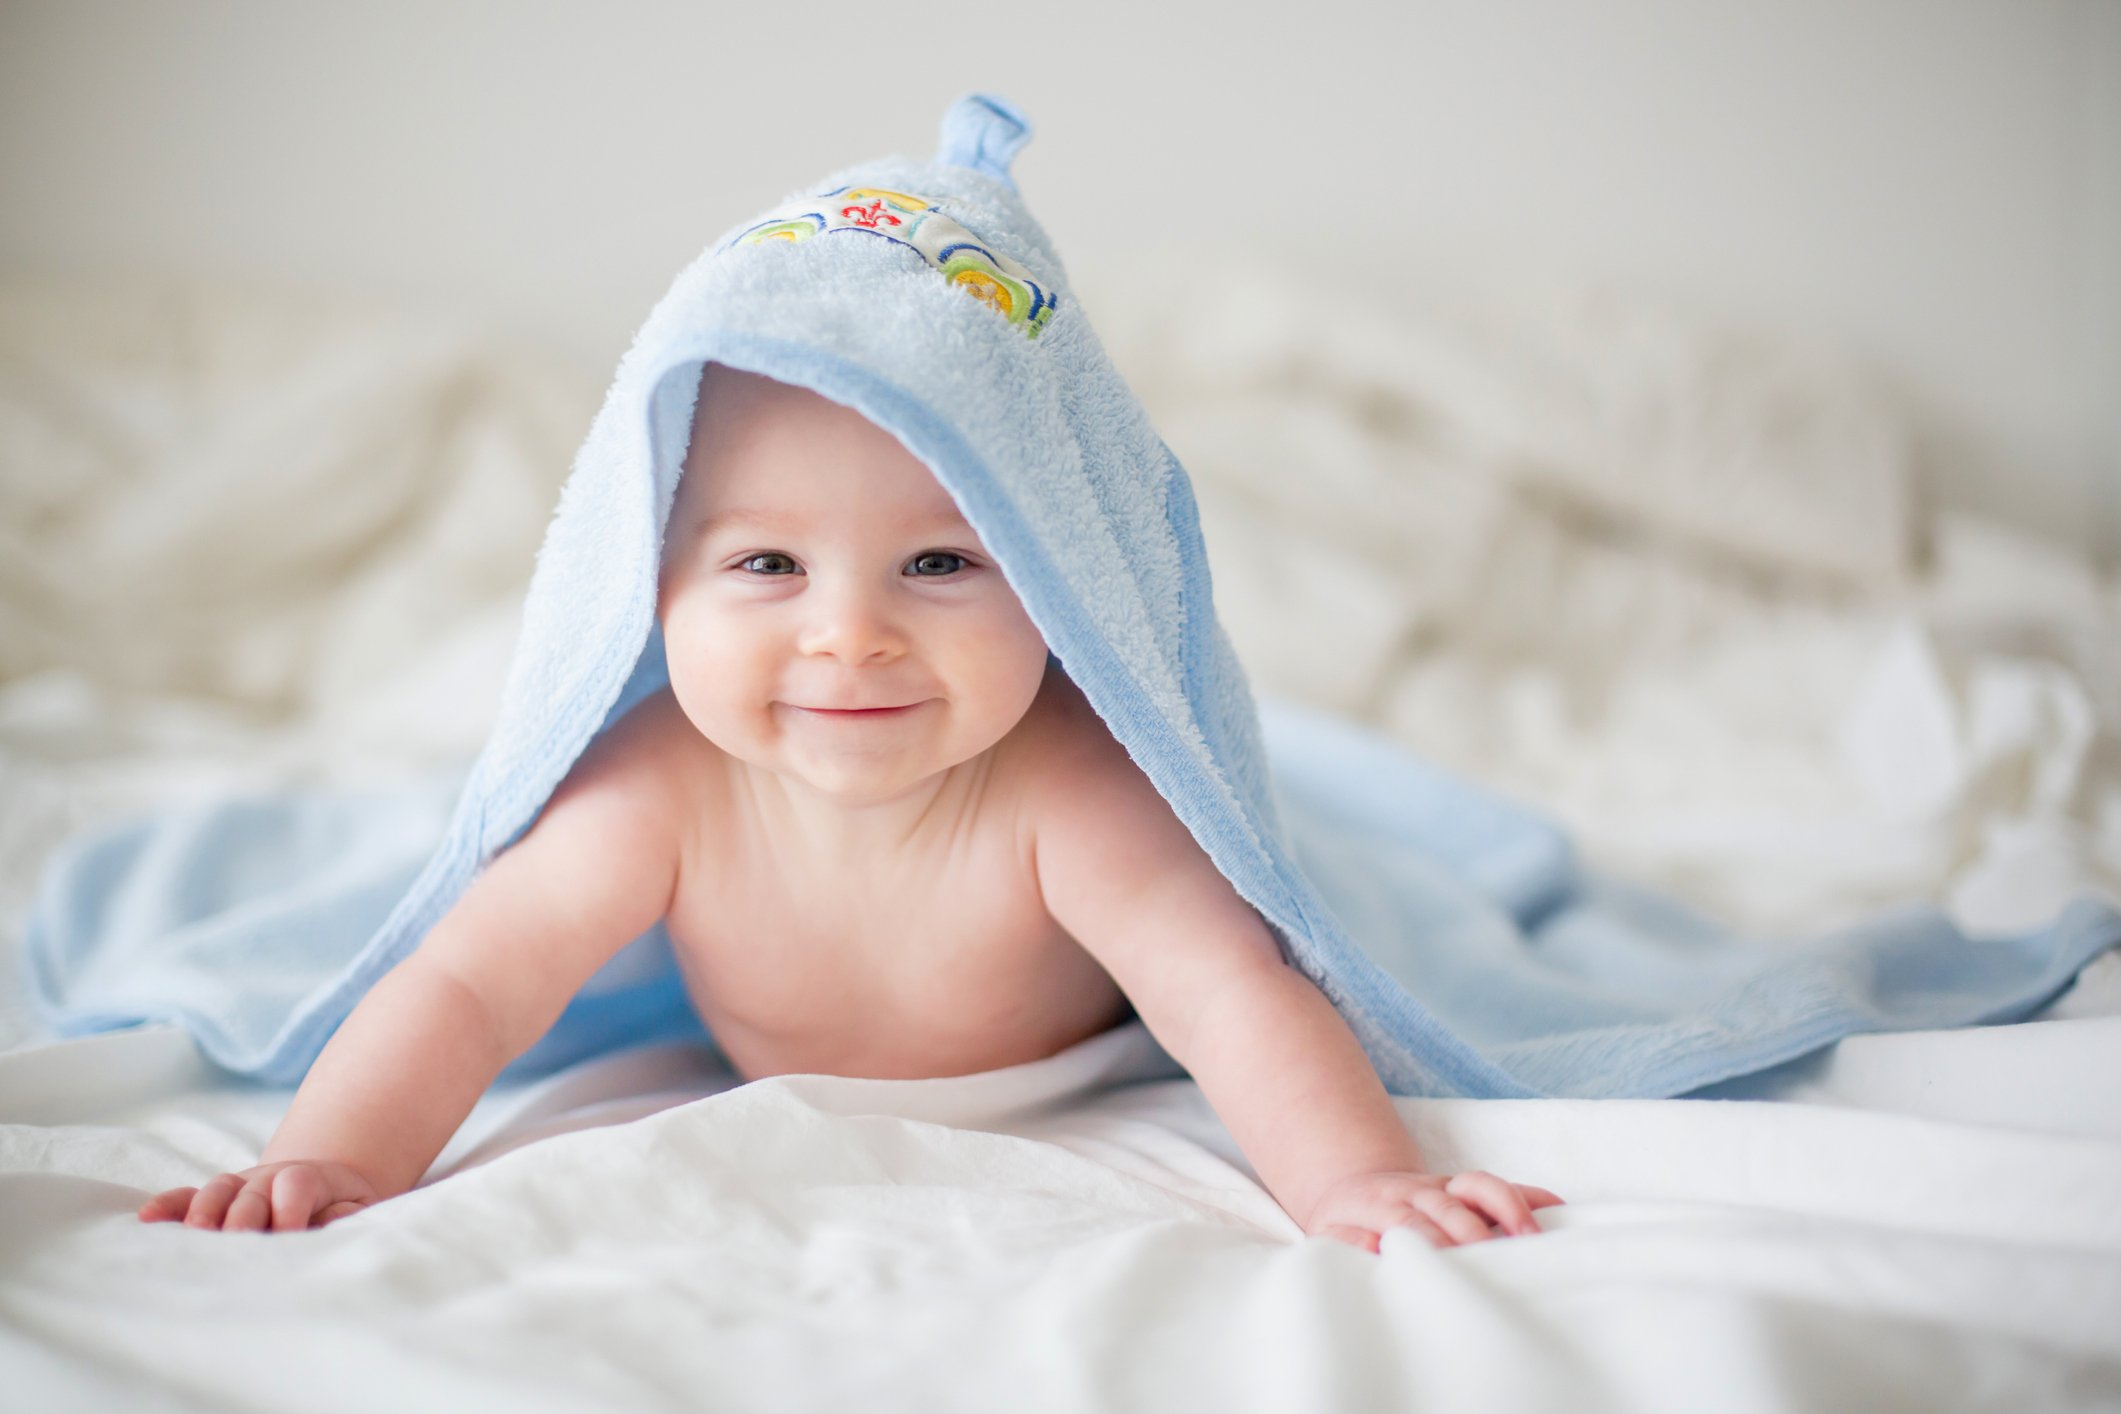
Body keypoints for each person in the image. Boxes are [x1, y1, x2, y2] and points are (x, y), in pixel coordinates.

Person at [140, 362, 1563, 1250]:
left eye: (940, 564)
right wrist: (334, 1158)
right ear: (649, 587)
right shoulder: (660, 783)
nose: (850, 637)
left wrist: (1351, 1182)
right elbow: (469, 979)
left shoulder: (1071, 784)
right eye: (767, 564)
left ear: (1057, 587)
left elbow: (1226, 992)